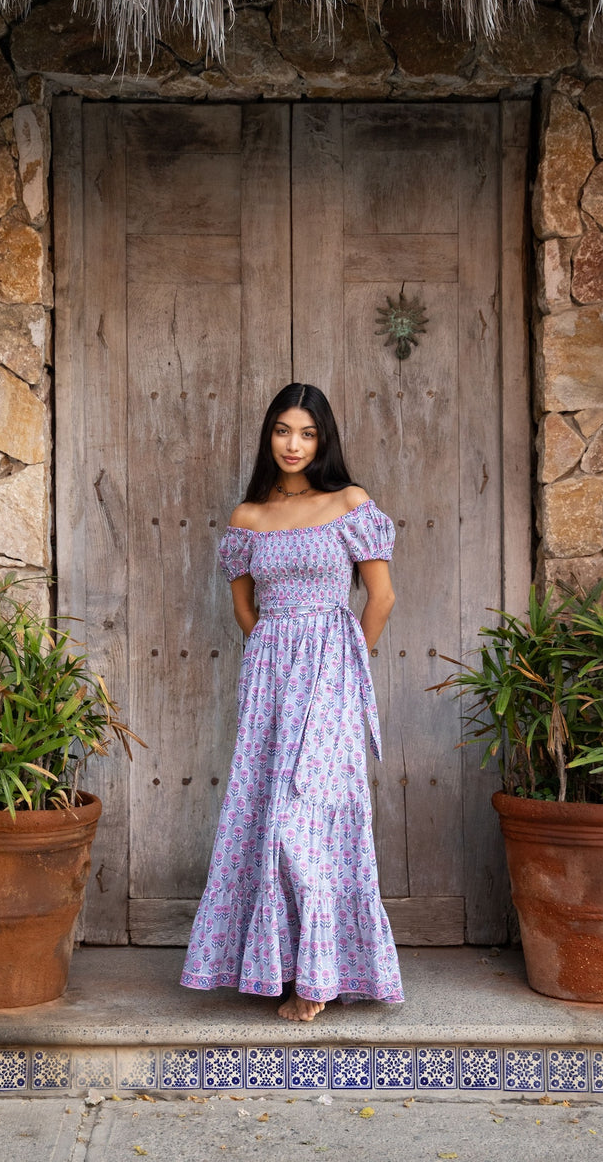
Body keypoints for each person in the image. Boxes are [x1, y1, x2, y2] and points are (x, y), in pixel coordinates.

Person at [180, 383, 404, 1022]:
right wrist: (277, 653)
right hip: (270, 682)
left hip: (332, 674)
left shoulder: (351, 504)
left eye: (306, 433)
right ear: (268, 436)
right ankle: (283, 967)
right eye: (283, 431)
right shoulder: (249, 517)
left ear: (324, 439)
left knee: (306, 821)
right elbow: (244, 609)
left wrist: (341, 661)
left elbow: (381, 598)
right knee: (261, 816)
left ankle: (319, 977)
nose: (294, 444)